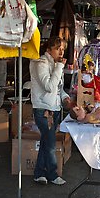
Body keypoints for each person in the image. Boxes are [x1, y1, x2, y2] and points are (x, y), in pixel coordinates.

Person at [29, 36, 72, 185]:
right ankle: (53, 175)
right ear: (48, 49)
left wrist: (66, 98)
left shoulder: (55, 64)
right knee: (51, 143)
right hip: (43, 110)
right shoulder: (41, 63)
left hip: (54, 109)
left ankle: (39, 173)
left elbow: (58, 90)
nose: (61, 52)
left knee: (46, 141)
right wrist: (60, 67)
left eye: (62, 49)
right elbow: (49, 87)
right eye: (57, 49)